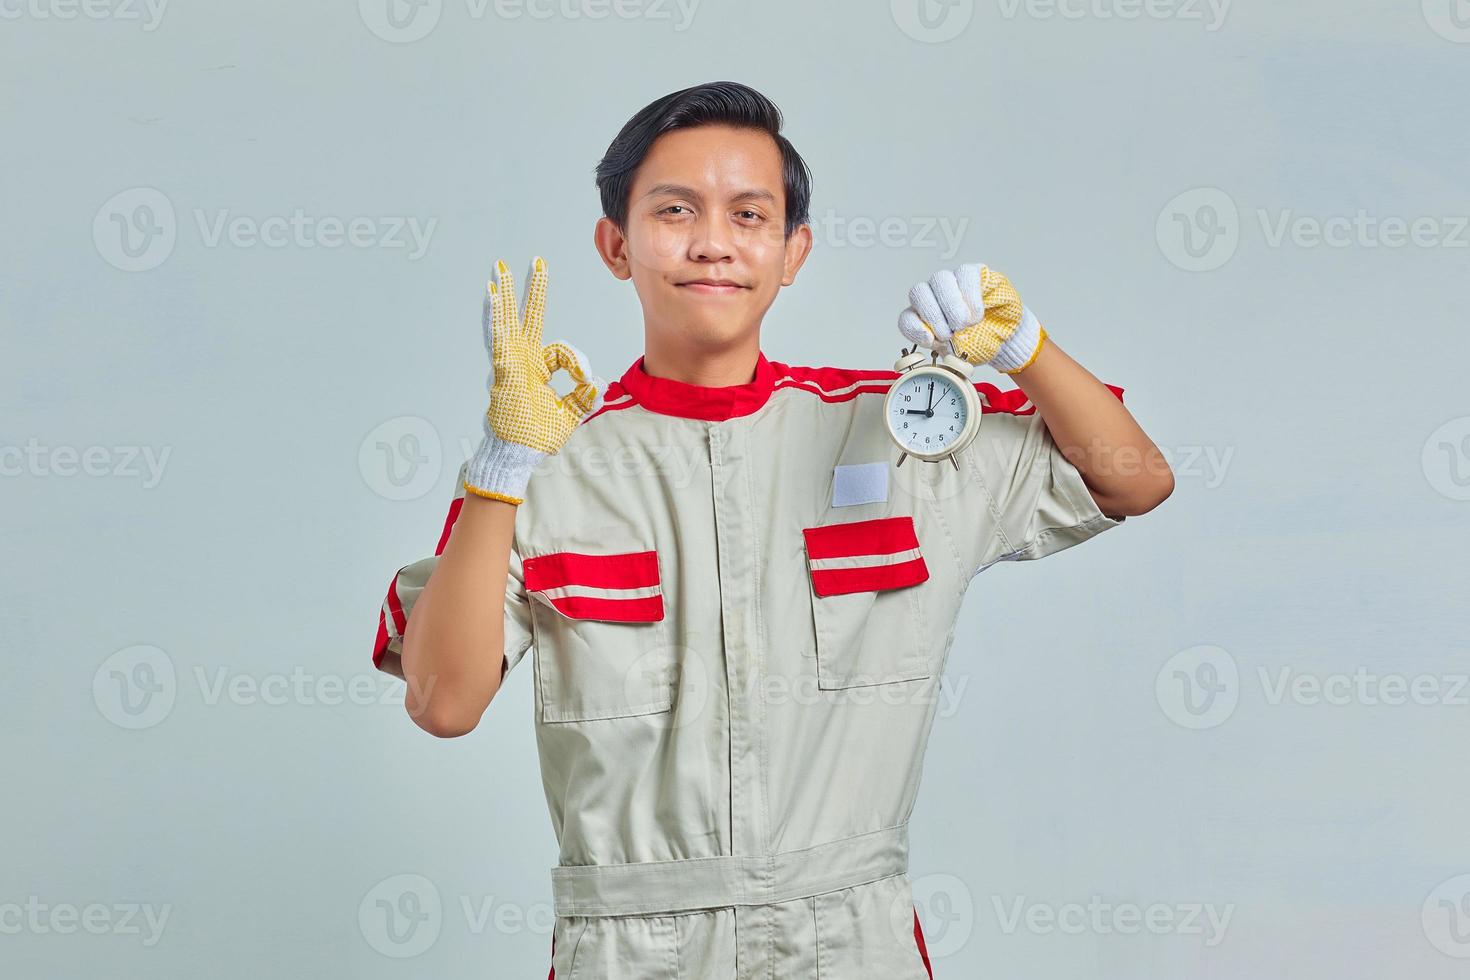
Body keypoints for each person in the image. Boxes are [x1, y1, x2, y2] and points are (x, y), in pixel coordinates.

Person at [372, 80, 1174, 979]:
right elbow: (443, 702)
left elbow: (1135, 479)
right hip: (630, 949)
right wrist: (502, 469)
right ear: (615, 243)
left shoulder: (900, 431)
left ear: (794, 251)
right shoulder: (540, 466)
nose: (713, 242)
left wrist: (1026, 348)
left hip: (848, 939)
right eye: (675, 211)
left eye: (749, 215)